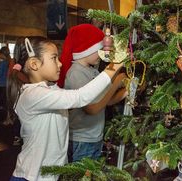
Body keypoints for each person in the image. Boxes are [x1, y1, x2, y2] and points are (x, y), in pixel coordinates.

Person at [7, 36, 123, 181]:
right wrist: (114, 67)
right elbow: (80, 97)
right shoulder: (33, 94)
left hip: (49, 176)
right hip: (32, 177)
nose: (60, 64)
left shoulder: (50, 89)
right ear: (34, 64)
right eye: (54, 58)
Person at [58, 24, 128, 162]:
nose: (102, 53)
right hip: (81, 140)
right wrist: (115, 82)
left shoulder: (92, 71)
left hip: (94, 137)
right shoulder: (76, 73)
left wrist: (126, 91)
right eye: (99, 49)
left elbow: (105, 101)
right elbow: (92, 108)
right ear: (86, 50)